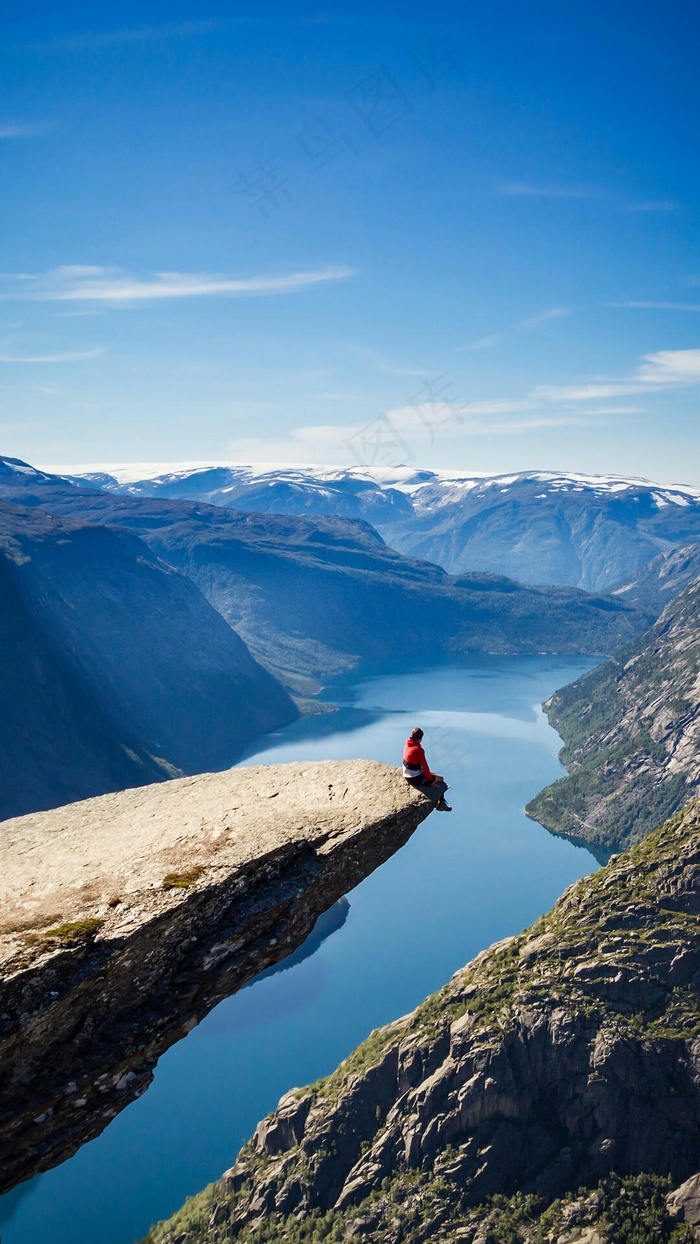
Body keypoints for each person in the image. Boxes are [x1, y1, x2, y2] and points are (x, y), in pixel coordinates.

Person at [402, 726, 452, 811]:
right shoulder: (418, 750)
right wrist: (431, 781)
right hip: (415, 778)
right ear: (420, 738)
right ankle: (441, 804)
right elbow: (425, 767)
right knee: (440, 779)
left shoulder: (407, 744)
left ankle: (439, 803)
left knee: (435, 775)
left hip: (407, 775)